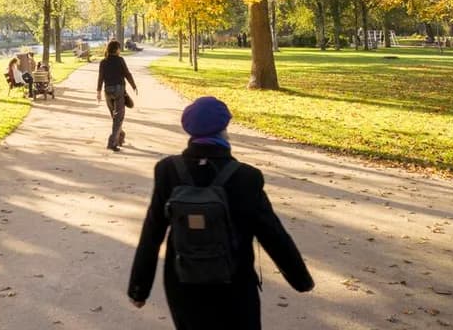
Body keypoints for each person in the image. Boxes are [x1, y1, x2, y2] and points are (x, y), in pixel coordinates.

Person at [128, 96, 314, 329]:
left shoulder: (168, 170)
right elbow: (272, 233)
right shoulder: (246, 177)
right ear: (224, 128)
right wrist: (300, 279)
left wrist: (139, 288)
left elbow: (152, 232)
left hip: (183, 283)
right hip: (234, 284)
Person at [96, 39, 138, 151]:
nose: (120, 50)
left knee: (116, 118)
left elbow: (101, 77)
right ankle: (112, 143)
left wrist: (99, 92)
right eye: (119, 48)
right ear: (116, 49)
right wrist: (133, 85)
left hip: (107, 91)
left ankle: (120, 135)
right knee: (118, 118)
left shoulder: (103, 62)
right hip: (118, 91)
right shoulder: (120, 60)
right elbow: (127, 73)